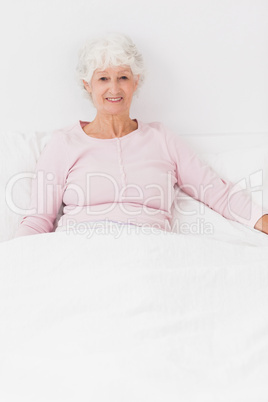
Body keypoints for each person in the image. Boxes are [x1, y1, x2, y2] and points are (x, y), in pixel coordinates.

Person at [14, 32, 268, 238]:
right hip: (82, 252)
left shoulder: (162, 139)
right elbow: (38, 219)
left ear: (135, 82)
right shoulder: (63, 143)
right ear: (87, 85)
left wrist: (261, 220)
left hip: (149, 253)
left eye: (123, 77)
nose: (114, 88)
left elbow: (216, 192)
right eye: (103, 78)